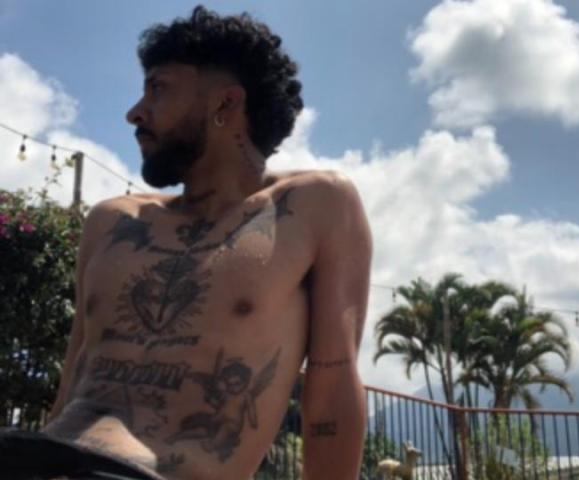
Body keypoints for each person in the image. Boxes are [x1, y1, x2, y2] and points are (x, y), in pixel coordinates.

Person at [0, 5, 372, 480]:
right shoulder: (111, 221)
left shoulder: (315, 204)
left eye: (157, 88)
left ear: (225, 105)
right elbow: (74, 377)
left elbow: (332, 385)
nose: (135, 112)